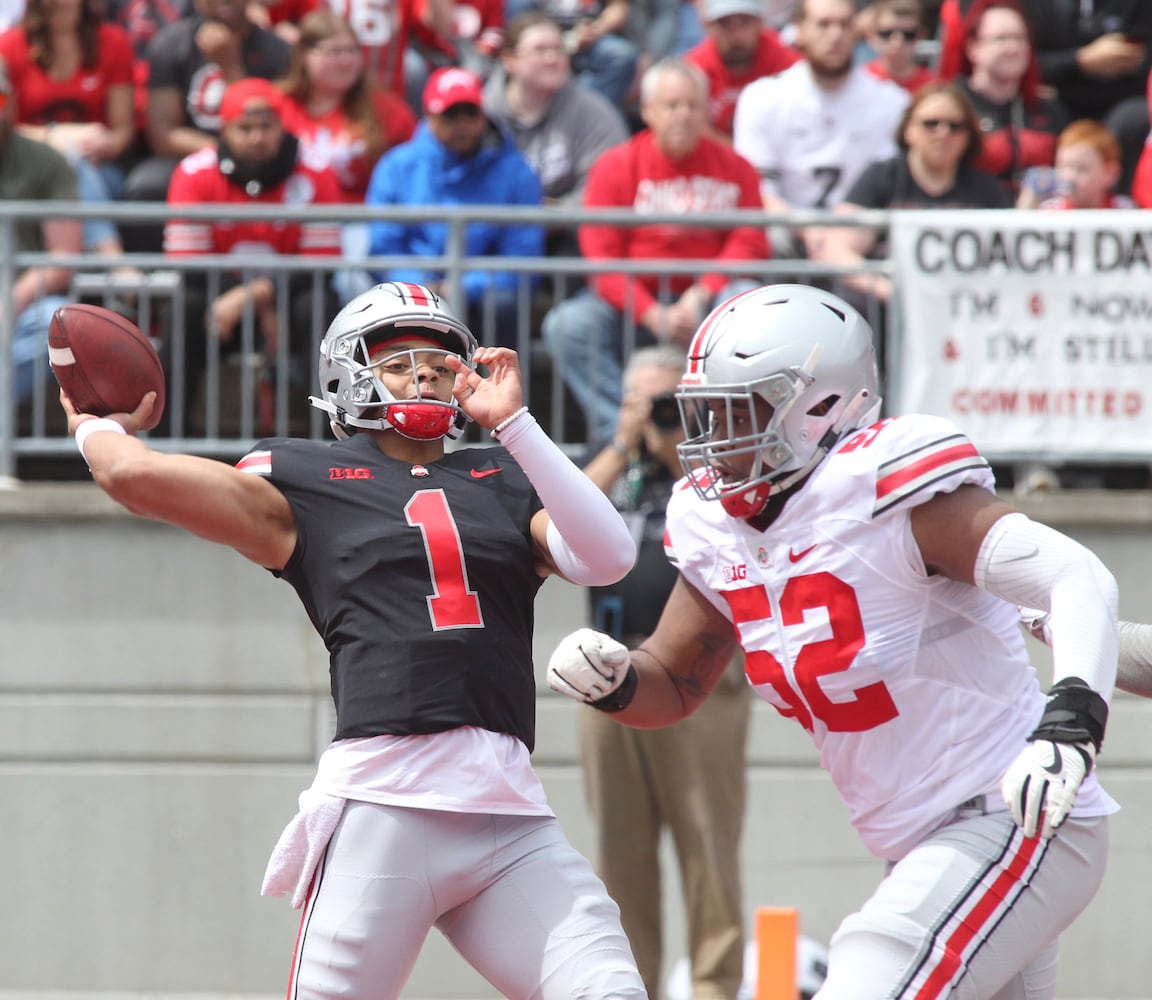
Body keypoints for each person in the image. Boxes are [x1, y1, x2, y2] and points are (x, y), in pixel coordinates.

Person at [58, 279, 645, 998]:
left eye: (436, 359)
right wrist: (94, 420)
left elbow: (610, 555)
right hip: (384, 807)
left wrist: (516, 422)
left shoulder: (502, 473)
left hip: (509, 817)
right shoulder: (303, 476)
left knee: (609, 989)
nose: (423, 373)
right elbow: (131, 474)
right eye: (399, 360)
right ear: (348, 373)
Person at [546, 282, 1119, 1000]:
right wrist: (619, 681)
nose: (713, 440)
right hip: (925, 843)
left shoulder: (886, 486)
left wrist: (1070, 723)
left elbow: (1079, 577)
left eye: (738, 411)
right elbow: (675, 679)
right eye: (707, 413)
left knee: (871, 966)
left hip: (1008, 813)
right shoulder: (716, 523)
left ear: (820, 406)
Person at [579, 344, 752, 1000]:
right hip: (608, 674)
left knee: (706, 844)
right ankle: (628, 987)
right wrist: (625, 444)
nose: (651, 415)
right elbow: (555, 520)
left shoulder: (706, 471)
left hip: (696, 676)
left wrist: (680, 442)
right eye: (638, 401)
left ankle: (712, 987)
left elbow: (731, 514)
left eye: (663, 402)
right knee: (619, 853)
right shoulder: (609, 467)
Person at [541, 58, 768, 443]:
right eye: (671, 106)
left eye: (692, 106)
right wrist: (649, 312)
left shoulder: (735, 165)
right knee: (567, 325)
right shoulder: (615, 166)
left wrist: (703, 291)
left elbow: (750, 240)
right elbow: (601, 256)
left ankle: (727, 432)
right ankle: (628, 434)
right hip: (632, 305)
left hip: (706, 301)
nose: (683, 115)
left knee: (745, 306)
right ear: (647, 111)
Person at [163, 77, 343, 434]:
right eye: (245, 128)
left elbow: (320, 265)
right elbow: (189, 265)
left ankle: (329, 443)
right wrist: (251, 301)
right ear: (225, 130)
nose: (256, 137)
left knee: (320, 307)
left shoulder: (316, 172)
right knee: (181, 307)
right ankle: (167, 440)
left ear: (283, 126)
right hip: (219, 303)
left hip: (290, 301)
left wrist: (260, 295)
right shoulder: (194, 172)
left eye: (266, 126)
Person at [365, 66, 545, 350]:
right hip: (413, 289)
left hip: (484, 291)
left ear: (483, 116)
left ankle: (501, 391)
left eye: (470, 113)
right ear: (429, 116)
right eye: (450, 115)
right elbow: (383, 247)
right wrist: (422, 289)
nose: (461, 124)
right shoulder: (397, 166)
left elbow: (522, 255)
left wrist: (460, 287)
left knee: (504, 302)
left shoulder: (516, 171)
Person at [732, 0, 909, 255]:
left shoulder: (892, 102)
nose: (835, 35)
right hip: (787, 239)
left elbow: (894, 190)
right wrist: (804, 225)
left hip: (861, 242)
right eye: (823, 24)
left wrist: (843, 240)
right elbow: (756, 189)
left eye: (844, 24)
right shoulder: (763, 98)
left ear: (856, 31)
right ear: (800, 30)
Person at [810, 82, 1010, 306]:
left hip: (963, 310)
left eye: (955, 126)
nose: (943, 133)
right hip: (886, 311)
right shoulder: (883, 176)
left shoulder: (985, 189)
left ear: (968, 136)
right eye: (930, 124)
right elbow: (836, 248)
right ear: (909, 130)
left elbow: (1008, 255)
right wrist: (891, 291)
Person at [119, 0, 292, 253]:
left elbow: (268, 125)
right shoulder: (170, 44)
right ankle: (157, 285)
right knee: (145, 186)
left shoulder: (278, 51)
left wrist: (230, 67)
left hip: (261, 157)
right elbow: (163, 135)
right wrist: (222, 156)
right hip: (191, 155)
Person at [277, 8, 417, 302]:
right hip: (289, 222)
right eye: (334, 52)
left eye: (352, 51)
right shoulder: (277, 105)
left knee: (353, 280)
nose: (345, 61)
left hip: (357, 221)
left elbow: (410, 173)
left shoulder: (385, 109)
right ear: (304, 55)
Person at [482, 11, 629, 257]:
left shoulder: (593, 111)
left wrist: (550, 215)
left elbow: (606, 188)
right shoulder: (482, 111)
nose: (552, 58)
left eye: (559, 50)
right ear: (509, 60)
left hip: (567, 238)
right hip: (494, 237)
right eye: (540, 51)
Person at [0, 0, 136, 258]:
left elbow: (123, 130)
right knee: (68, 157)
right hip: (36, 166)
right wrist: (55, 136)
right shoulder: (10, 45)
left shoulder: (113, 41)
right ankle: (112, 257)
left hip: (101, 167)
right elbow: (5, 124)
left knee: (76, 160)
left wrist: (103, 145)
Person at [0, 56, 83, 406]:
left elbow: (62, 258)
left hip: (21, 299)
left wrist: (11, 298)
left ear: (12, 101)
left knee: (55, 320)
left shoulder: (45, 161)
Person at [945, 0, 1067, 196]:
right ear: (973, 47)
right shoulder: (950, 106)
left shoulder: (1047, 107)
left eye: (1020, 39)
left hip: (1037, 219)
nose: (1013, 48)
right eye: (1001, 39)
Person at [683, 0, 800, 142]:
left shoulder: (786, 61)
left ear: (759, 23)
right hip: (718, 161)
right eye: (725, 24)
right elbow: (693, 127)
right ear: (709, 27)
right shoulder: (693, 70)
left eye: (744, 22)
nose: (736, 34)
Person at [861, 0, 935, 94]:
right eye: (887, 33)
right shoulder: (855, 81)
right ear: (871, 35)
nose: (897, 43)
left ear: (921, 36)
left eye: (908, 35)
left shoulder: (931, 87)